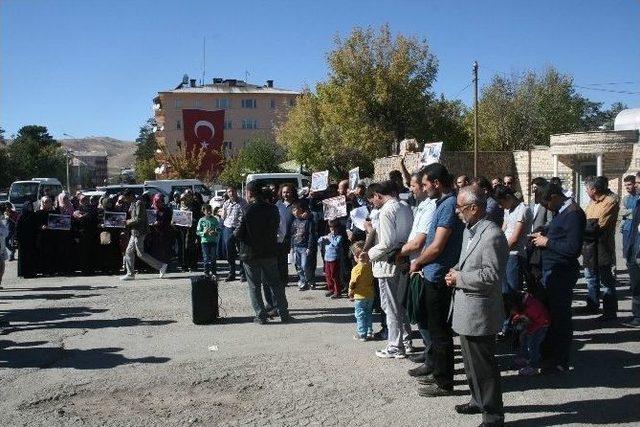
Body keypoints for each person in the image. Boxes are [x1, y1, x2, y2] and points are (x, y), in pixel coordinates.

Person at [444, 184, 507, 424]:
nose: (457, 212)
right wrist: (456, 272)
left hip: (480, 311)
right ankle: (476, 400)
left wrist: (461, 278)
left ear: (473, 208)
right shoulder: (470, 230)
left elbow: (492, 276)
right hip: (465, 307)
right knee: (470, 364)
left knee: (484, 367)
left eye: (460, 208)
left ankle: (493, 415)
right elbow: (468, 263)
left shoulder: (492, 235)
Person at [410, 163, 464, 396]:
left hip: (439, 275)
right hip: (434, 273)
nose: (423, 188)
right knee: (435, 328)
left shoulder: (448, 205)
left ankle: (444, 382)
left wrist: (418, 261)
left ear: (436, 183)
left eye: (424, 184)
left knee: (440, 331)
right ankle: (439, 374)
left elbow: (437, 246)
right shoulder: (442, 204)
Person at [530, 182, 586, 373]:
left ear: (554, 197)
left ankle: (560, 360)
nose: (545, 207)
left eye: (546, 203)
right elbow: (560, 234)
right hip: (551, 272)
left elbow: (573, 249)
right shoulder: (562, 212)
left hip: (562, 273)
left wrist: (547, 242)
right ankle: (549, 356)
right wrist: (545, 233)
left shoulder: (574, 214)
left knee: (560, 318)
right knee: (550, 316)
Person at [366, 181, 413, 359]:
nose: (373, 204)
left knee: (390, 307)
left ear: (378, 195)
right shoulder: (404, 206)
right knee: (400, 305)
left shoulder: (386, 210)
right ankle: (406, 341)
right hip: (402, 259)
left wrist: (368, 254)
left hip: (387, 263)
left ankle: (395, 346)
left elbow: (386, 243)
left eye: (373, 200)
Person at [235, 181, 292, 324]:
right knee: (276, 283)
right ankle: (284, 314)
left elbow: (239, 232)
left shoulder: (247, 209)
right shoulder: (273, 209)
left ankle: (261, 316)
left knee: (254, 286)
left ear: (250, 192)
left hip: (250, 252)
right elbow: (277, 229)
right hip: (269, 251)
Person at [400, 170, 436, 376]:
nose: (411, 190)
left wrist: (398, 252)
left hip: (422, 266)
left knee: (423, 315)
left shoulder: (431, 207)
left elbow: (420, 241)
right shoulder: (421, 205)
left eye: (413, 186)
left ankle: (432, 360)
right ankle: (428, 350)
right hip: (415, 263)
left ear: (423, 186)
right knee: (417, 312)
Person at [494, 185, 532, 336]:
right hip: (505, 253)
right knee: (504, 292)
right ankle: (506, 325)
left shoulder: (522, 209)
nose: (501, 206)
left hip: (514, 254)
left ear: (509, 198)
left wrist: (501, 250)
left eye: (502, 202)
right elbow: (503, 229)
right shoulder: (507, 209)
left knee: (512, 292)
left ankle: (514, 326)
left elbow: (515, 237)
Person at [581, 176, 620, 320]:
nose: (585, 191)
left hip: (603, 246)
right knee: (590, 277)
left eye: (587, 188)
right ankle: (592, 304)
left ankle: (609, 313)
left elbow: (598, 225)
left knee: (606, 281)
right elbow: (585, 220)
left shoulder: (609, 202)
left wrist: (584, 226)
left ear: (594, 189)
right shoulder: (592, 202)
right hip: (589, 245)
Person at [120, 190, 168, 281]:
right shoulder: (133, 203)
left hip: (140, 232)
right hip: (134, 232)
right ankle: (130, 274)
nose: (125, 200)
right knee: (128, 252)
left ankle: (161, 266)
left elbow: (139, 219)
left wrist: (127, 222)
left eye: (126, 198)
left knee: (140, 253)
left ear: (130, 196)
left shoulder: (139, 203)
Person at [509, 292, 551, 376]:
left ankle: (534, 367)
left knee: (533, 345)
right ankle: (525, 357)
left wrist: (529, 330)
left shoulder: (532, 306)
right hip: (533, 322)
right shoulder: (525, 303)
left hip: (542, 326)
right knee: (523, 338)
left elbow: (542, 321)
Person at [622, 171, 640, 328]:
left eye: (637, 183)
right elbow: (624, 214)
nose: (635, 186)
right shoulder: (629, 200)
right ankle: (637, 315)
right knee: (636, 284)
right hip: (632, 241)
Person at [220, 186, 248, 282]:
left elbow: (245, 216)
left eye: (232, 191)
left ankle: (243, 273)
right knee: (229, 251)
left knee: (241, 251)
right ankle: (231, 272)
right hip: (228, 227)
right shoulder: (226, 203)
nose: (231, 193)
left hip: (239, 228)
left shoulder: (243, 202)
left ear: (236, 192)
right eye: (229, 192)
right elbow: (223, 217)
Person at [349, 240, 375, 341]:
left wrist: (351, 292)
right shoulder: (371, 266)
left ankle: (362, 333)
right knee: (368, 313)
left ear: (356, 256)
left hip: (360, 296)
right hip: (370, 294)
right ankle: (369, 331)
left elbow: (353, 282)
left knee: (360, 315)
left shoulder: (357, 268)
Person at [290, 199, 315, 291]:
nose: (294, 212)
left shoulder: (308, 220)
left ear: (301, 210)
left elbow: (311, 234)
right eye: (293, 210)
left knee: (305, 265)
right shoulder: (294, 221)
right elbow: (292, 234)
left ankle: (310, 281)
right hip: (296, 246)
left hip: (304, 247)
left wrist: (309, 247)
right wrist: (292, 246)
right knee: (298, 265)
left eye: (295, 209)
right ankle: (302, 282)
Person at [318, 219, 345, 298]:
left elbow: (336, 244)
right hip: (327, 258)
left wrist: (330, 238)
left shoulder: (339, 237)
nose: (332, 229)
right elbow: (320, 242)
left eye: (334, 227)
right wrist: (322, 239)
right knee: (328, 275)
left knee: (334, 275)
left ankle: (337, 291)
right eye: (330, 227)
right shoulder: (328, 236)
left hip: (334, 258)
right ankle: (331, 289)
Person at [276, 184, 297, 286]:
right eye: (284, 192)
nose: (286, 194)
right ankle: (283, 279)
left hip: (295, 236)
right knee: (282, 260)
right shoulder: (278, 204)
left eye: (288, 192)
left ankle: (303, 279)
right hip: (282, 236)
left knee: (297, 259)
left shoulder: (296, 204)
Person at [197, 204, 220, 278]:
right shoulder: (201, 220)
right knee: (206, 257)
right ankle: (206, 272)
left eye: (210, 210)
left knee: (213, 257)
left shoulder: (214, 219)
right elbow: (197, 231)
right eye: (207, 211)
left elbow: (219, 229)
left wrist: (215, 232)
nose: (209, 212)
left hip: (213, 241)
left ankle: (214, 272)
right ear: (203, 211)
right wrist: (204, 233)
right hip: (205, 242)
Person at [16, 202, 37, 278]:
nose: (30, 208)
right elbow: (17, 228)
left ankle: (31, 272)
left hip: (32, 239)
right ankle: (23, 273)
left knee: (31, 256)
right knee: (23, 257)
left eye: (31, 206)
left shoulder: (33, 215)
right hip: (23, 239)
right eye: (28, 206)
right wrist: (17, 238)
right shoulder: (21, 216)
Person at [620, 175, 638, 261]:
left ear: (635, 184)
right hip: (627, 229)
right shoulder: (626, 199)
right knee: (627, 253)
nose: (627, 187)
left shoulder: (638, 197)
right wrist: (633, 211)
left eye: (629, 184)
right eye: (626, 185)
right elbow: (622, 212)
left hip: (636, 230)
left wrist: (629, 212)